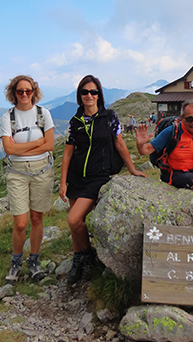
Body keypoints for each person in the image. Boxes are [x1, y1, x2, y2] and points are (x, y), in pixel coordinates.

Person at [59, 75, 146, 285]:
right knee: (75, 225)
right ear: (80, 96)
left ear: (99, 95)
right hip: (76, 177)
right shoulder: (75, 122)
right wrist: (63, 182)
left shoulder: (109, 117)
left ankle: (87, 255)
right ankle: (78, 259)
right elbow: (68, 153)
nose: (89, 95)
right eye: (85, 92)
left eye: (93, 92)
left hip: (98, 177)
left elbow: (120, 145)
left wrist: (132, 169)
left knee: (73, 219)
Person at [1, 75, 55, 285]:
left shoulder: (44, 114)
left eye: (28, 91)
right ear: (13, 93)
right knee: (21, 223)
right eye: (20, 91)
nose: (24, 94)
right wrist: (37, 142)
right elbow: (8, 149)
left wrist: (19, 148)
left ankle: (33, 261)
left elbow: (49, 145)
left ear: (34, 91)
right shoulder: (8, 117)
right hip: (17, 173)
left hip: (42, 170)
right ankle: (16, 262)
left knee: (36, 218)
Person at [136, 99, 193, 197]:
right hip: (173, 173)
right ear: (181, 118)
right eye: (189, 119)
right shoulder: (172, 131)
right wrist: (140, 144)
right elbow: (145, 150)